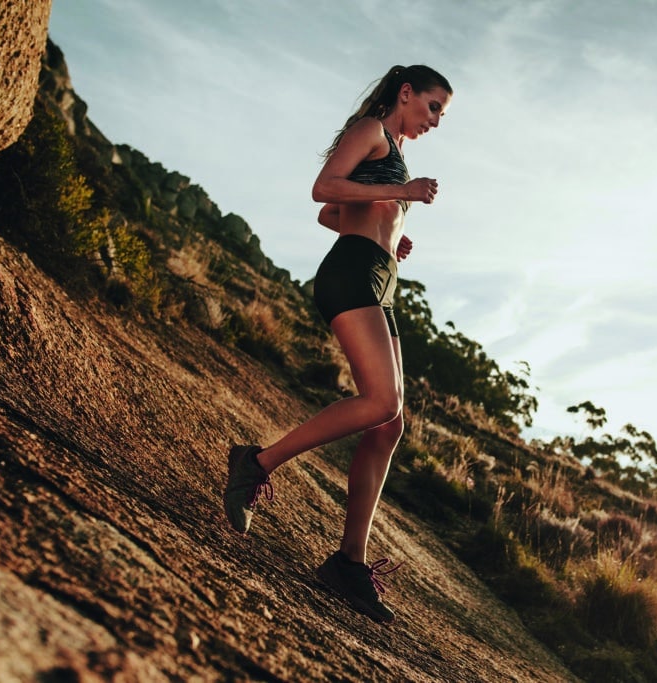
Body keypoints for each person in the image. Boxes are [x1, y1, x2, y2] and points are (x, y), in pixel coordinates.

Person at [223, 65, 452, 624]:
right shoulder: (371, 129)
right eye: (433, 107)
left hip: (379, 277)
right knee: (379, 401)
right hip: (350, 275)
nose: (436, 120)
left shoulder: (393, 147)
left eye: (442, 113)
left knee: (390, 424)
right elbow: (322, 190)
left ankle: (348, 563)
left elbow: (336, 213)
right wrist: (400, 194)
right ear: (406, 94)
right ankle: (257, 463)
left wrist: (388, 234)